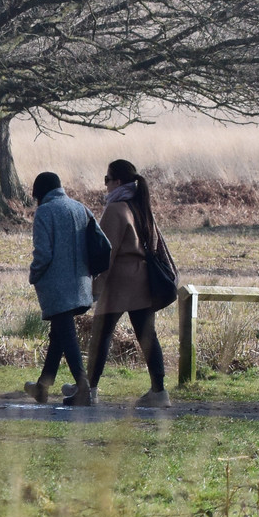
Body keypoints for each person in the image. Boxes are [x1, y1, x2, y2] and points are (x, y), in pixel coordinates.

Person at [84, 158, 171, 407]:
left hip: (119, 282)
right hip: (143, 281)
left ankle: (90, 389)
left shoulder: (115, 209)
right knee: (147, 336)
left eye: (106, 180)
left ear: (118, 182)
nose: (105, 186)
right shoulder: (142, 208)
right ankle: (159, 391)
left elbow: (105, 252)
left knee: (101, 335)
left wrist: (96, 285)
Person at [23, 171, 95, 405]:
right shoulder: (80, 208)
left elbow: (43, 253)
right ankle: (42, 386)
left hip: (58, 287)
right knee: (59, 335)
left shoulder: (45, 211)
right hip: (82, 283)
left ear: (40, 194)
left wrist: (34, 275)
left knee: (67, 335)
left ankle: (83, 387)